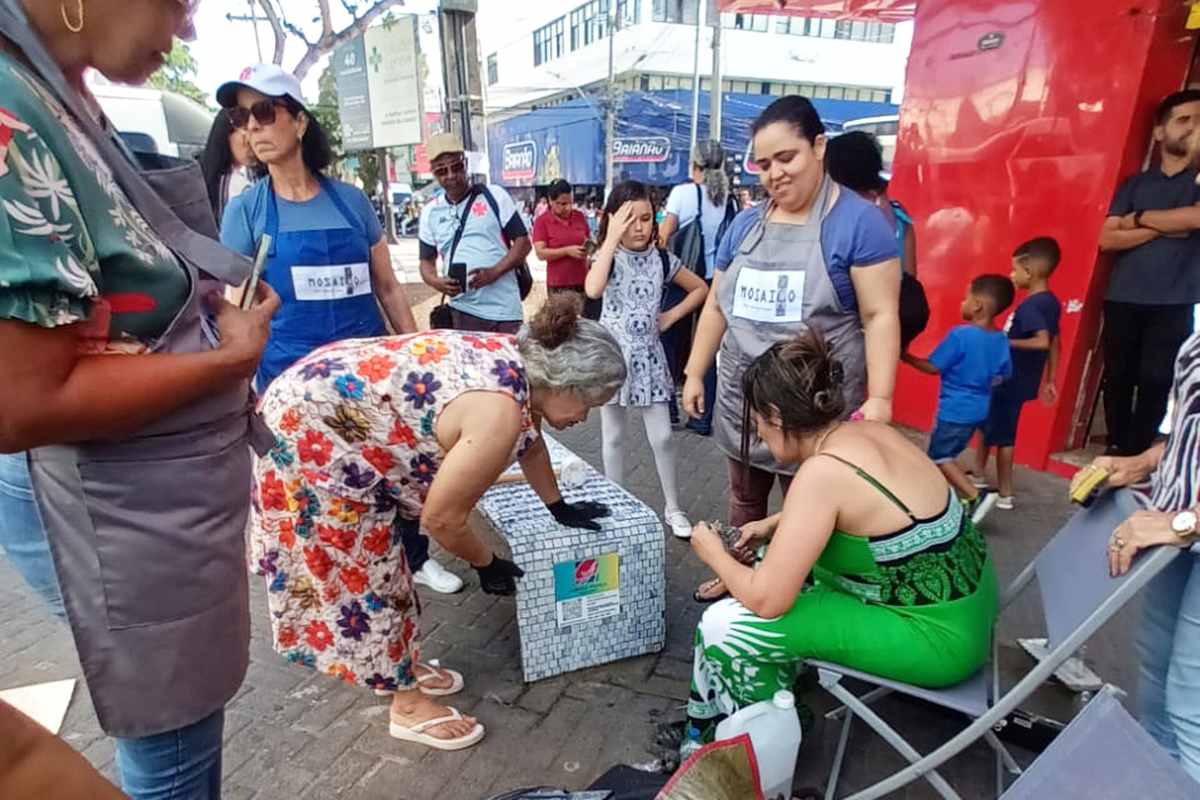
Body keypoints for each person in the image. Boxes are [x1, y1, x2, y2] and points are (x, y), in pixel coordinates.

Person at [0, 1, 279, 797]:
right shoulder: (12, 107)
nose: (186, 31)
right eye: (181, 1)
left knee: (181, 733)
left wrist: (208, 315)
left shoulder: (59, 95)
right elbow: (22, 399)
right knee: (174, 745)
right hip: (118, 511)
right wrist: (232, 359)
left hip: (154, 502)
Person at [249, 295, 626, 751]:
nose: (587, 415)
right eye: (589, 402)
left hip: (321, 401)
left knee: (387, 568)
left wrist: (557, 505)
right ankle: (405, 705)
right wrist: (487, 564)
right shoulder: (499, 412)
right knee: (370, 576)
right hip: (311, 439)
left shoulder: (522, 365)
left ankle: (398, 665)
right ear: (563, 383)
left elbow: (532, 443)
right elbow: (444, 521)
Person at [683, 331, 997, 753]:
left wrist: (713, 554)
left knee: (725, 627)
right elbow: (867, 508)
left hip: (934, 640)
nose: (757, 432)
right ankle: (782, 681)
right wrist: (776, 523)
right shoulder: (868, 431)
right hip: (967, 611)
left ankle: (762, 736)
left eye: (757, 422)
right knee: (768, 556)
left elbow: (768, 601)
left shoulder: (821, 474)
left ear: (775, 415)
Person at [682, 96, 902, 603]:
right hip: (745, 398)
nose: (775, 174)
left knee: (812, 504)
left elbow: (879, 315)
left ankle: (800, 585)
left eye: (788, 158)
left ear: (819, 147)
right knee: (743, 496)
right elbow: (716, 305)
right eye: (764, 163)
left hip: (814, 405)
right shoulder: (744, 224)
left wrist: (883, 398)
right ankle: (739, 569)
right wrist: (695, 371)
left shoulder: (859, 225)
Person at [218, 64, 418, 392]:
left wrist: (416, 356)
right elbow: (238, 313)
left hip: (370, 380)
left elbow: (389, 289)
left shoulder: (353, 203)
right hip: (292, 390)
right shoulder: (245, 212)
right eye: (241, 117)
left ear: (300, 123)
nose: (252, 126)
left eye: (264, 112)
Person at [1088, 327, 1200, 781]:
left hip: (1180, 525)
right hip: (1175, 522)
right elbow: (1184, 430)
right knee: (1155, 675)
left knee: (1191, 706)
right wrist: (1141, 461)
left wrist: (1185, 522)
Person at [585, 181, 708, 540]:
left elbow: (701, 288)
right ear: (613, 220)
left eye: (645, 218)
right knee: (613, 437)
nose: (639, 227)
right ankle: (615, 502)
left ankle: (673, 506)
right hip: (614, 358)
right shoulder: (606, 258)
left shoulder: (664, 258)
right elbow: (592, 289)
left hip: (651, 359)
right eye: (629, 220)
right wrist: (609, 239)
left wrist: (671, 317)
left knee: (664, 436)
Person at [1098, 89, 1200, 457]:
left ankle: (1138, 451)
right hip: (1123, 294)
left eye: (1199, 121)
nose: (1192, 128)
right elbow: (1107, 238)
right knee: (1119, 376)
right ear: (1160, 132)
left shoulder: (1197, 180)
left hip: (1175, 299)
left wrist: (1138, 220)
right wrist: (1165, 226)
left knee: (1157, 379)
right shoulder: (1135, 184)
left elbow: (1195, 218)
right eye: (1183, 119)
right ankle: (1116, 446)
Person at [902, 275, 1014, 523]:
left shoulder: (961, 336)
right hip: (979, 409)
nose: (962, 303)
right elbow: (1004, 375)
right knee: (947, 453)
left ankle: (977, 495)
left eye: (966, 298)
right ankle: (940, 501)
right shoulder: (1000, 339)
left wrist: (904, 356)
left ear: (977, 305)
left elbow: (933, 366)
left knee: (939, 456)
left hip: (955, 409)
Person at [972, 238, 1063, 508]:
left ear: (1029, 271)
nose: (1011, 275)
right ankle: (977, 473)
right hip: (1015, 380)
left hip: (1010, 381)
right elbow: (1056, 342)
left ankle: (1005, 493)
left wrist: (1002, 341)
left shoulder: (1032, 306)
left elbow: (1043, 341)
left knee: (1004, 437)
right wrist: (1049, 379)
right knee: (989, 424)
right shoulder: (1050, 302)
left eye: (1014, 270)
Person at [659, 140, 739, 437]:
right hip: (716, 282)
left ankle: (666, 410)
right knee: (706, 347)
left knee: (667, 341)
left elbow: (665, 235)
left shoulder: (683, 193)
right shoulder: (729, 198)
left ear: (695, 165)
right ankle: (702, 418)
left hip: (684, 280)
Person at [824, 130, 929, 350]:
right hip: (886, 329)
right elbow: (909, 278)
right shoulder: (899, 215)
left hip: (843, 330)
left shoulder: (842, 214)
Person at [418, 132, 531, 334]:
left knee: (508, 365)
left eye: (457, 166)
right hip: (462, 311)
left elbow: (523, 243)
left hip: (505, 312)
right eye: (442, 171)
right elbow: (426, 262)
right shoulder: (430, 212)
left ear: (465, 164)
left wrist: (493, 273)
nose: (451, 175)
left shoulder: (495, 196)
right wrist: (437, 282)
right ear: (434, 174)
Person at [533, 178, 600, 320]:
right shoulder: (542, 222)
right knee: (561, 324)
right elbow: (540, 253)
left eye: (570, 203)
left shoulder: (579, 217)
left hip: (583, 281)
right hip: (559, 284)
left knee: (585, 325)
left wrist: (589, 250)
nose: (568, 208)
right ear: (551, 201)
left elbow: (586, 240)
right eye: (562, 204)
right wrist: (566, 251)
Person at [200, 108, 256, 224]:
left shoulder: (206, 177)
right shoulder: (234, 183)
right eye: (247, 142)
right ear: (226, 136)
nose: (254, 150)